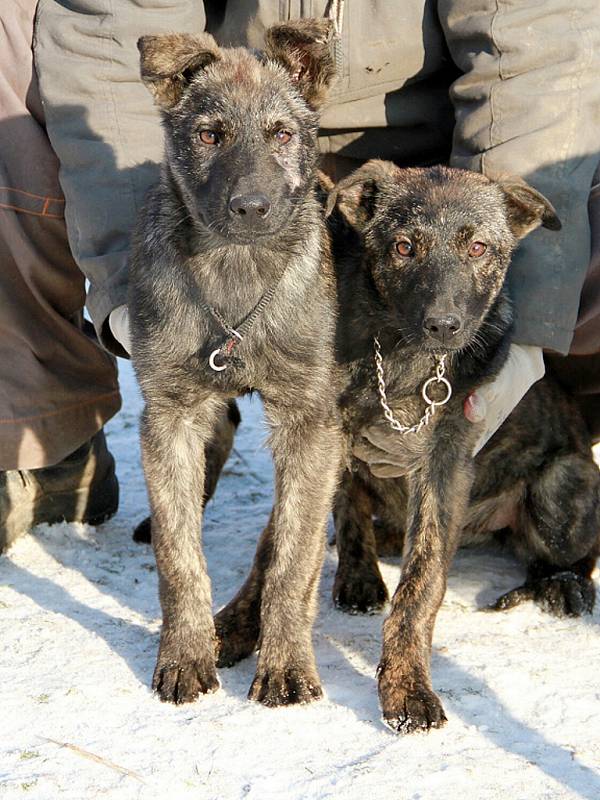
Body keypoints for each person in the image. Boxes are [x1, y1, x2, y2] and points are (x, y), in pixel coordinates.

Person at [2, 0, 599, 549]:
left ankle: (536, 426)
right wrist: (138, 282)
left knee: (573, 165)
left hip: (436, 163)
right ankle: (46, 435)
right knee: (13, 42)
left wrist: (518, 327)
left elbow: (539, 47)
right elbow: (109, 28)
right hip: (228, 158)